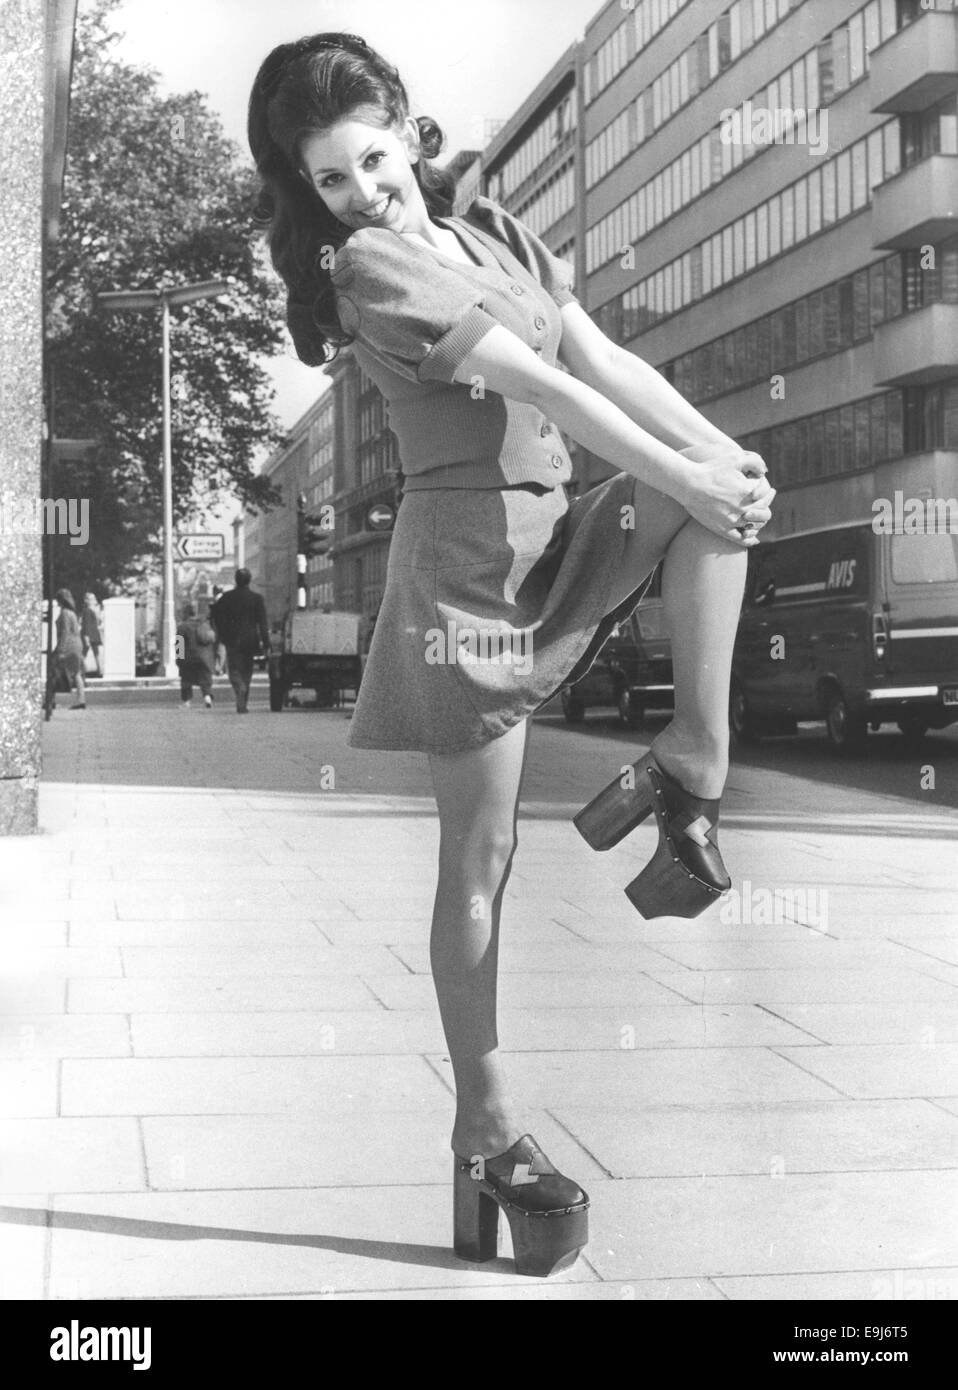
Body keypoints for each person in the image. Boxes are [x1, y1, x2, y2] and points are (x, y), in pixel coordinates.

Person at [248, 32, 775, 1277]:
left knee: (719, 508)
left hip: (557, 526)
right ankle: (482, 1127)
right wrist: (685, 467)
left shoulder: (498, 237)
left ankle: (689, 762)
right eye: (330, 180)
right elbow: (543, 380)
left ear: (407, 132)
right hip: (469, 579)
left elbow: (608, 361)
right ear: (313, 197)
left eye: (372, 161)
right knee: (481, 857)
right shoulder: (370, 269)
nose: (363, 192)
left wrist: (722, 454)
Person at [210, 568, 269, 713]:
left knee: (234, 671)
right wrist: (266, 643)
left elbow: (216, 617)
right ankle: (242, 703)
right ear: (249, 580)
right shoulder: (257, 598)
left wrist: (222, 635)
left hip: (232, 639)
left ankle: (240, 691)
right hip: (250, 640)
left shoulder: (226, 598)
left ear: (236, 580)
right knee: (247, 672)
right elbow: (262, 623)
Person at [175, 601, 216, 708]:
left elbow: (179, 644)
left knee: (186, 680)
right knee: (205, 679)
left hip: (188, 658)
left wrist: (179, 659)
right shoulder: (204, 624)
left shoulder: (182, 627)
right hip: (204, 658)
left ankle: (186, 702)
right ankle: (207, 698)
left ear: (186, 613)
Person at [54, 588, 86, 710]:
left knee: (53, 670)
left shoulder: (65, 613)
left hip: (69, 645)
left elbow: (65, 632)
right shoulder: (72, 613)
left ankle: (50, 700)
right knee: (77, 673)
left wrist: (61, 650)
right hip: (76, 644)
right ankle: (81, 700)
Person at [80, 592, 103, 676]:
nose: (94, 600)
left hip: (93, 634)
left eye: (94, 598)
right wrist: (86, 637)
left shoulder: (93, 610)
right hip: (88, 635)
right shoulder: (86, 611)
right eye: (92, 599)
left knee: (96, 653)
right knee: (84, 653)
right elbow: (86, 624)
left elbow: (98, 622)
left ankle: (99, 670)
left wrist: (97, 612)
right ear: (87, 601)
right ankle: (80, 670)